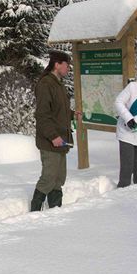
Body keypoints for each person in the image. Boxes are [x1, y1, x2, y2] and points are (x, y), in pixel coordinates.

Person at [30, 50, 81, 211]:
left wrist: (73, 114)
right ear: (57, 64)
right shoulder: (46, 84)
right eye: (67, 65)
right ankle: (34, 212)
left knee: (59, 178)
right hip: (50, 141)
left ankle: (55, 211)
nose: (68, 69)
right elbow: (42, 115)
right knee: (49, 178)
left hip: (61, 140)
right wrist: (53, 136)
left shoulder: (58, 83)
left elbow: (58, 110)